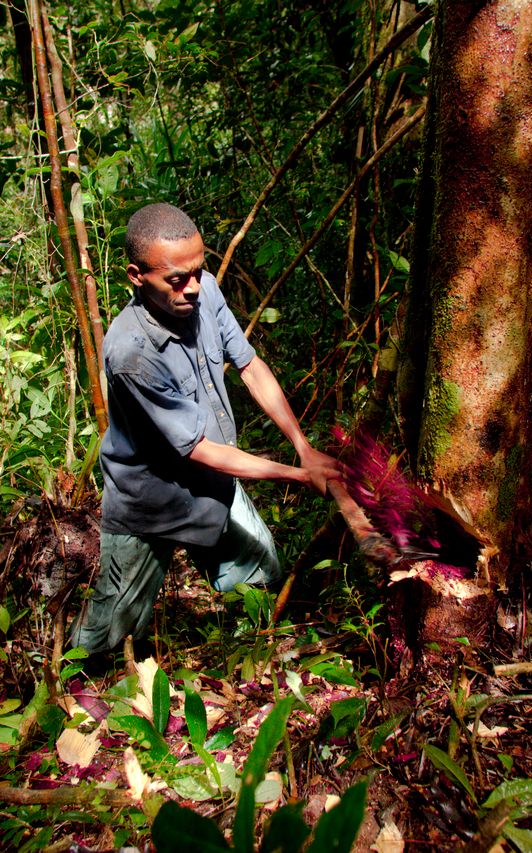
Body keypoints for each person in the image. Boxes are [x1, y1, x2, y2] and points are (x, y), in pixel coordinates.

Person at [72, 202, 341, 656]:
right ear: (137, 276)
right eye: (176, 279)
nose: (193, 288)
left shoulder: (206, 290)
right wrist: (295, 475)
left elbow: (250, 367)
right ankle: (70, 699)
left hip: (212, 483)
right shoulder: (131, 352)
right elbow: (196, 447)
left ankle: (252, 661)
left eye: (198, 270)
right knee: (108, 635)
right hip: (150, 502)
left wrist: (303, 448)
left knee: (262, 574)